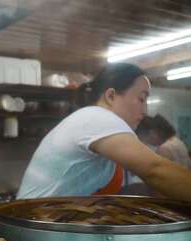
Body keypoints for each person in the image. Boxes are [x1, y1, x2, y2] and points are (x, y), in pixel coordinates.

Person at [17, 63, 191, 201]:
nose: (145, 111)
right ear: (111, 96)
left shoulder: (93, 120)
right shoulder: (97, 118)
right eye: (141, 99)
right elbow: (155, 170)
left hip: (43, 226)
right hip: (37, 231)